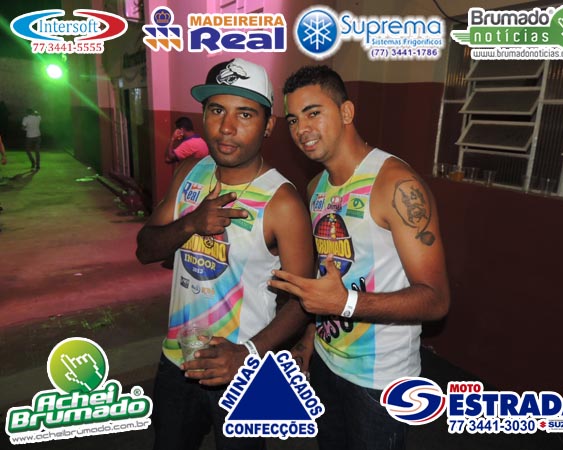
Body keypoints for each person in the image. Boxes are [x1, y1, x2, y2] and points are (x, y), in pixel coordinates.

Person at [136, 58, 314, 450]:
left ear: (268, 125)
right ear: (203, 115)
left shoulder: (282, 202)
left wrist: (246, 354)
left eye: (245, 114)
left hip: (244, 371)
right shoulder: (190, 172)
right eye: (217, 110)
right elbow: (145, 248)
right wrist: (190, 224)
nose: (227, 127)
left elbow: (305, 302)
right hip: (177, 360)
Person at [269, 65, 451, 450]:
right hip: (326, 361)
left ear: (347, 112)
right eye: (293, 119)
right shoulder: (315, 186)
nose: (302, 129)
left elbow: (436, 299)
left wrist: (346, 303)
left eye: (314, 112)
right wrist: (307, 341)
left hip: (379, 381)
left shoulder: (396, 184)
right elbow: (326, 282)